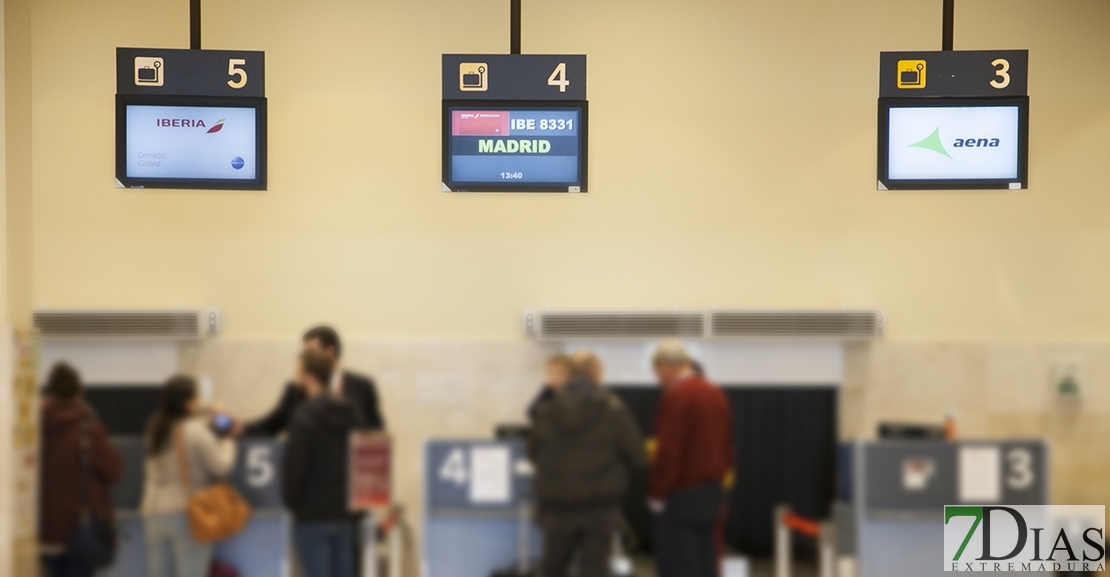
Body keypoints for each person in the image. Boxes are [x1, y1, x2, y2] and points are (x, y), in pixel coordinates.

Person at [529, 351, 647, 577]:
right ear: (597, 375)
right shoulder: (614, 409)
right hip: (599, 508)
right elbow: (638, 456)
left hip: (556, 507)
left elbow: (534, 453)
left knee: (553, 568)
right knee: (594, 569)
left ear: (570, 375)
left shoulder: (546, 410)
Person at [648, 340, 734, 577]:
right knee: (708, 564)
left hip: (681, 496)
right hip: (713, 493)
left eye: (657, 372)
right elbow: (727, 447)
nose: (658, 379)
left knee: (678, 565)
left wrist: (657, 495)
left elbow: (669, 451)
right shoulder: (717, 394)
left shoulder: (676, 396)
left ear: (665, 366)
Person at [282, 348, 367, 577]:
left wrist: (292, 503)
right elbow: (364, 461)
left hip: (311, 516)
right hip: (345, 515)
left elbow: (294, 469)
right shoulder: (353, 413)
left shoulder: (303, 417)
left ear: (308, 377)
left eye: (298, 372)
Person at [141, 375, 237, 577]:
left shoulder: (154, 428)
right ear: (189, 402)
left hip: (153, 512)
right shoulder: (195, 431)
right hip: (186, 513)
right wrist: (228, 444)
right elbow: (221, 468)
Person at [39, 362, 124, 577]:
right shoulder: (86, 428)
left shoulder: (33, 427)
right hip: (79, 528)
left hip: (42, 526)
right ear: (80, 392)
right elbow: (114, 471)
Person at [242, 325, 384, 435]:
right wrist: (241, 429)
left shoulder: (362, 387)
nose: (304, 358)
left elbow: (375, 433)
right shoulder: (295, 389)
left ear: (330, 352)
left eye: (309, 352)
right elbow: (272, 424)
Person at [527, 354, 573, 421]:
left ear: (570, 375)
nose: (555, 377)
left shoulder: (573, 393)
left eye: (560, 373)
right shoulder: (548, 392)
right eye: (551, 373)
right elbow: (533, 412)